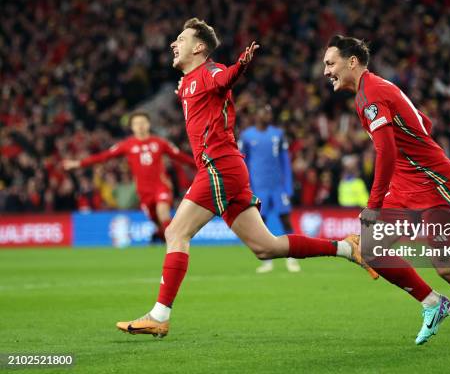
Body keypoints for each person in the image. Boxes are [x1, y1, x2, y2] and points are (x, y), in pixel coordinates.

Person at [116, 18, 378, 338]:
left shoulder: (211, 72)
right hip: (228, 171)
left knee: (175, 232)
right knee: (266, 247)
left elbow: (225, 78)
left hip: (219, 167)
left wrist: (241, 63)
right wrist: (185, 88)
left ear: (199, 48)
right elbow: (199, 90)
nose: (174, 44)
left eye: (181, 39)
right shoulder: (187, 83)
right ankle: (347, 249)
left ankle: (159, 315)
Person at [322, 34, 450, 348]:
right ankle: (433, 303)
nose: (326, 71)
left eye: (330, 63)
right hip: (407, 184)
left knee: (447, 266)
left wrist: (374, 204)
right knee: (370, 247)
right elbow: (424, 122)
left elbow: (387, 152)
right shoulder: (375, 88)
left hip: (436, 185)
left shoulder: (371, 94)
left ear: (352, 62)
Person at [63, 112, 195, 243]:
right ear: (132, 127)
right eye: (136, 123)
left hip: (161, 187)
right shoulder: (127, 145)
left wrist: (203, 165)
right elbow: (104, 156)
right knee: (158, 222)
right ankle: (160, 235)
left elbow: (181, 157)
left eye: (143, 122)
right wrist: (79, 163)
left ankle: (175, 246)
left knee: (163, 214)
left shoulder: (160, 143)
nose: (140, 126)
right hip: (143, 192)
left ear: (148, 124)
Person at [239, 104, 300, 273]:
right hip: (258, 187)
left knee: (286, 221)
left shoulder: (278, 135)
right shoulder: (247, 136)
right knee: (261, 224)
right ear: (256, 116)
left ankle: (293, 258)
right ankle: (267, 261)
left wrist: (288, 187)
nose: (267, 115)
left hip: (277, 187)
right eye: (264, 112)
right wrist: (246, 187)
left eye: (269, 112)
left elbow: (285, 162)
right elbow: (242, 162)